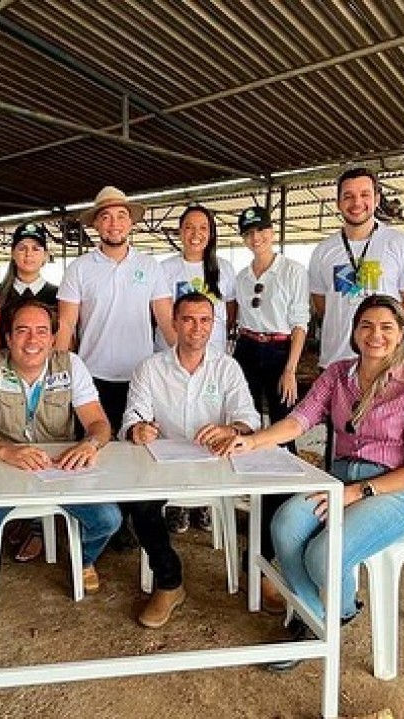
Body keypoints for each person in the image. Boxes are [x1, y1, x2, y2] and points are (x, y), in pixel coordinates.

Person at [224, 295, 404, 672]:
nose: (376, 335)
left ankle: (328, 617)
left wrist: (359, 491)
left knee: (323, 554)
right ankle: (318, 616)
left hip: (392, 491)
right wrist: (254, 440)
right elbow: (300, 419)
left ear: (401, 334)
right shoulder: (339, 374)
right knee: (286, 524)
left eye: (386, 327)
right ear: (355, 332)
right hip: (339, 479)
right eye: (367, 326)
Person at [0, 300, 121, 615]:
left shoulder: (70, 365)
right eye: (22, 331)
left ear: (54, 338)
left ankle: (83, 560)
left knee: (108, 520)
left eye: (42, 331)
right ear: (8, 337)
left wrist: (90, 444)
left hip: (59, 468)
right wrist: (5, 451)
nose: (32, 341)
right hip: (0, 468)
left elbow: (99, 423)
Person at [120, 292, 260, 628]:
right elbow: (132, 417)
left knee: (266, 495)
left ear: (214, 326)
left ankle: (261, 576)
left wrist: (230, 428)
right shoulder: (150, 368)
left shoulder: (227, 367)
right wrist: (138, 429)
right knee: (139, 503)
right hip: (164, 464)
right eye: (188, 319)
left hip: (216, 464)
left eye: (205, 320)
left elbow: (250, 418)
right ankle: (169, 583)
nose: (197, 328)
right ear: (173, 324)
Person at [232, 205, 310, 613]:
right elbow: (236, 318)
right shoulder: (242, 276)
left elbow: (300, 321)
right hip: (247, 346)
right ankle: (248, 494)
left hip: (280, 348)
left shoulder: (293, 270)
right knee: (244, 425)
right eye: (249, 233)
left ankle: (286, 510)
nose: (256, 238)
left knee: (284, 430)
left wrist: (292, 367)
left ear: (271, 231)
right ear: (244, 238)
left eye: (261, 230)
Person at [55, 186, 175, 432]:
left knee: (138, 446)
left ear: (131, 222)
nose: (114, 223)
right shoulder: (79, 268)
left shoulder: (150, 265)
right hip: (90, 376)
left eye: (121, 215)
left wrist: (186, 362)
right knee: (93, 446)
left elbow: (165, 319)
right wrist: (55, 372)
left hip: (141, 376)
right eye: (106, 217)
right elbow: (66, 325)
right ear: (96, 225)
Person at [157, 204, 238, 535]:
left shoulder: (224, 269)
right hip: (173, 359)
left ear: (211, 233)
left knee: (208, 430)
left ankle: (204, 502)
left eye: (203, 228)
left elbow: (230, 313)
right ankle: (175, 503)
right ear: (180, 233)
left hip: (212, 361)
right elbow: (159, 313)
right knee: (174, 429)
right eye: (189, 227)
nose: (195, 234)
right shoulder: (164, 269)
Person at [308, 167, 404, 368]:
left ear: (377, 199)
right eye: (348, 196)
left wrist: (379, 329)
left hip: (387, 363)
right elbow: (322, 306)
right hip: (336, 362)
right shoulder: (323, 251)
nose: (357, 203)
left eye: (365, 194)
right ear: (338, 202)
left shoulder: (400, 244)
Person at [0, 221, 59, 563]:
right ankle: (8, 516)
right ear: (13, 253)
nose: (28, 254)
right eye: (22, 247)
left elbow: (63, 344)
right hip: (3, 380)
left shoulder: (57, 294)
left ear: (46, 255)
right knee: (4, 441)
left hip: (46, 382)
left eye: (36, 248)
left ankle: (35, 525)